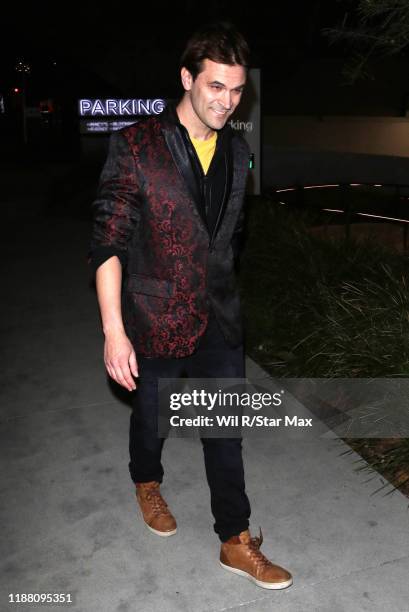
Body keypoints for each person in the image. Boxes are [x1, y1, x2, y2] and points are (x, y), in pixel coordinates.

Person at [88, 21, 292, 590]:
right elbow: (108, 238)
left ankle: (235, 539)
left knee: (224, 429)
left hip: (219, 317)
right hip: (153, 316)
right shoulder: (134, 145)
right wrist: (113, 329)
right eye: (215, 88)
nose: (226, 102)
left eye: (235, 90)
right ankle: (145, 480)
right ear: (187, 78)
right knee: (152, 416)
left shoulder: (239, 149)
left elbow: (226, 236)